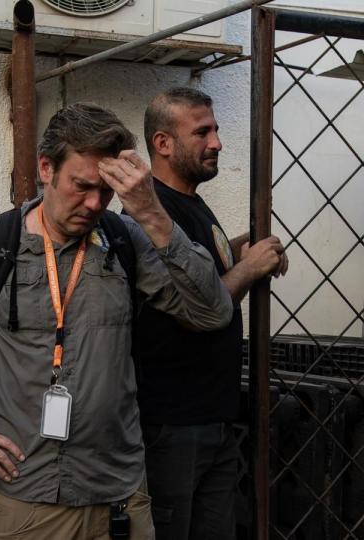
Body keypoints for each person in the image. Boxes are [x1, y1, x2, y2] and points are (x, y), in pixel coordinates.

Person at [0, 102, 235, 539]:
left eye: (106, 191)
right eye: (81, 186)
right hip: (27, 497)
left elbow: (213, 311)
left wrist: (152, 213)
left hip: (121, 498)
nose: (94, 203)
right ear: (46, 168)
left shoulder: (125, 239)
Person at [134, 87, 287, 540]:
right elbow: (197, 307)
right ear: (163, 144)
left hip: (212, 419)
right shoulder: (152, 215)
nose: (217, 142)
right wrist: (250, 266)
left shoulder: (191, 204)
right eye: (202, 132)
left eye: (215, 130)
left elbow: (204, 270)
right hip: (172, 425)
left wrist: (250, 248)